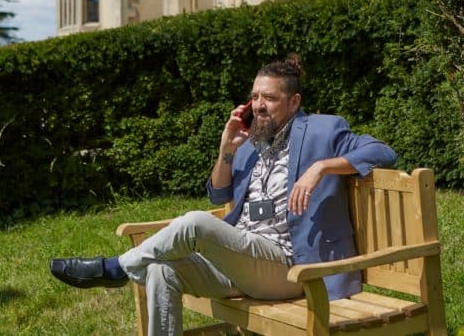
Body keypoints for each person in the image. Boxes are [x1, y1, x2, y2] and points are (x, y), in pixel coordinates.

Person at [50, 53, 397, 335]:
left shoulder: (324, 129)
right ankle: (124, 270)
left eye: (270, 98)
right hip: (242, 261)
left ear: (294, 103)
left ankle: (115, 269)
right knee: (160, 271)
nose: (259, 105)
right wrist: (225, 150)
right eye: (255, 96)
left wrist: (321, 168)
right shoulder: (250, 142)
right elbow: (219, 195)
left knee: (196, 223)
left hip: (290, 268)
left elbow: (382, 151)